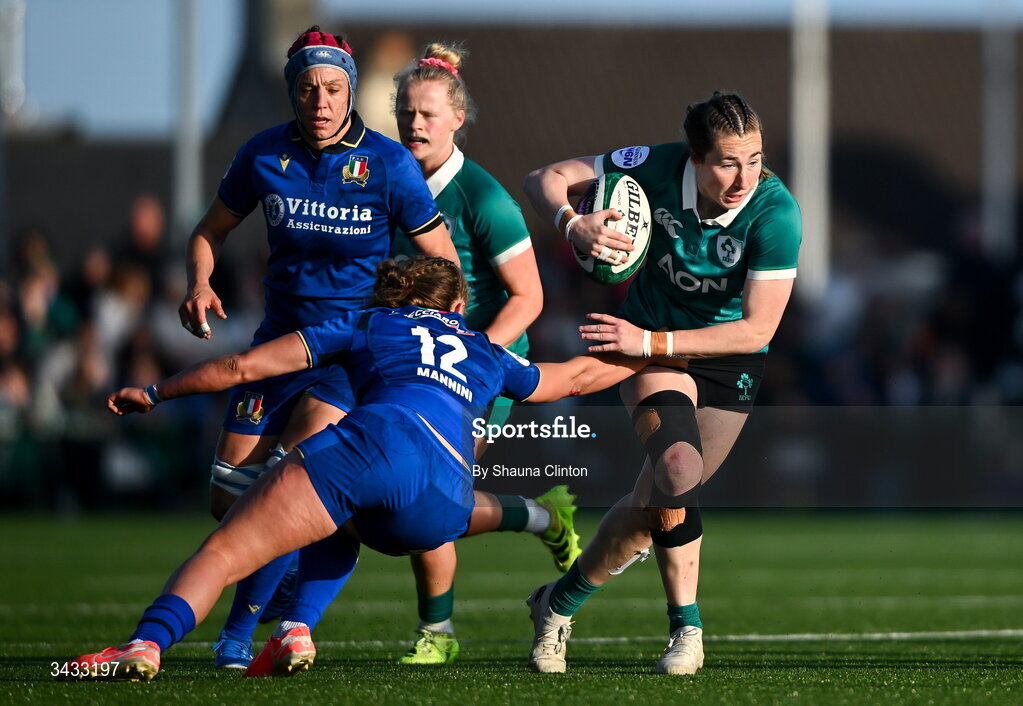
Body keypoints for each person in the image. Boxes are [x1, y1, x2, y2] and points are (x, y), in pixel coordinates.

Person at [65, 256, 652, 682]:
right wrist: (660, 350)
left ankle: (146, 644)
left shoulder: (372, 322)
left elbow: (244, 366)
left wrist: (156, 391)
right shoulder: (483, 348)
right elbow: (571, 378)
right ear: (455, 307)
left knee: (227, 548)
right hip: (444, 501)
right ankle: (296, 627)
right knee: (343, 521)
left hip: (378, 444)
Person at [176, 26, 458, 669]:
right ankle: (285, 589)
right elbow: (207, 232)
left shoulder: (387, 164)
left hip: (349, 354)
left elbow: (444, 263)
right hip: (278, 344)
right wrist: (199, 283)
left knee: (288, 482)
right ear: (292, 93)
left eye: (333, 87)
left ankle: (237, 638)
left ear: (351, 91)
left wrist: (420, 329)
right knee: (229, 499)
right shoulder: (262, 155)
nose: (321, 100)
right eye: (308, 88)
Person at [521, 92, 802, 675]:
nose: (744, 176)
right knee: (678, 472)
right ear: (694, 159)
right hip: (652, 339)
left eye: (754, 158)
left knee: (656, 505)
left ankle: (556, 603)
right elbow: (543, 177)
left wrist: (648, 344)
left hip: (721, 354)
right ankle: (688, 630)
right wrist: (572, 223)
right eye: (727, 161)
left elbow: (757, 329)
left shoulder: (776, 213)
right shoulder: (650, 166)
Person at [389, 41, 553, 665]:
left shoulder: (484, 199)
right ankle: (541, 518)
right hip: (409, 362)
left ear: (458, 119)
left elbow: (529, 298)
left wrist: (472, 353)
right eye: (407, 111)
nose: (415, 124)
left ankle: (438, 635)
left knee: (427, 495)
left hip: (479, 366)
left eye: (429, 113)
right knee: (412, 497)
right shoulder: (388, 182)